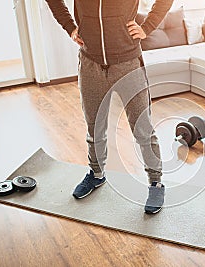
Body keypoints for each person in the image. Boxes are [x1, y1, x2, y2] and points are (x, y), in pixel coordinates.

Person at [45, 0, 173, 214]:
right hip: (90, 63)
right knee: (94, 127)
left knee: (142, 128)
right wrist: (69, 26)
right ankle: (96, 174)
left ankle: (156, 182)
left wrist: (147, 27)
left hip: (128, 62)